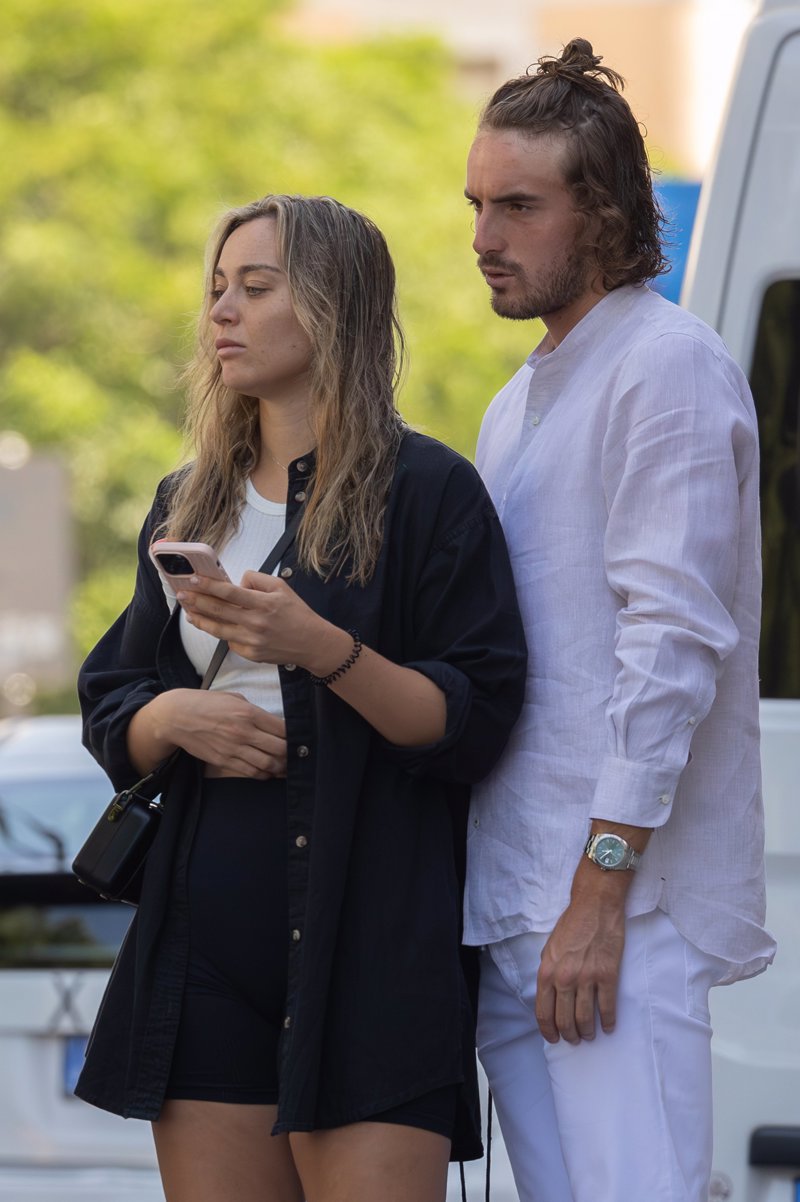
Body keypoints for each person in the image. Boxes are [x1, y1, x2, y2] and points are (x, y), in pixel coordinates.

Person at [76, 193, 528, 1202]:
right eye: (216, 289)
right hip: (203, 937)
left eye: (255, 286)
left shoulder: (427, 490)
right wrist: (172, 719)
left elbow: (472, 720)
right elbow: (114, 695)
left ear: (331, 304)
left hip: (371, 937)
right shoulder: (189, 496)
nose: (221, 311)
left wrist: (319, 648)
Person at [461, 38, 776, 1202]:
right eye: (475, 204)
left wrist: (597, 895)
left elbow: (670, 646)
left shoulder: (665, 366)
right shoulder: (514, 401)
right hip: (514, 903)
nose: (483, 235)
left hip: (617, 912)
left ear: (600, 214)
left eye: (518, 206)